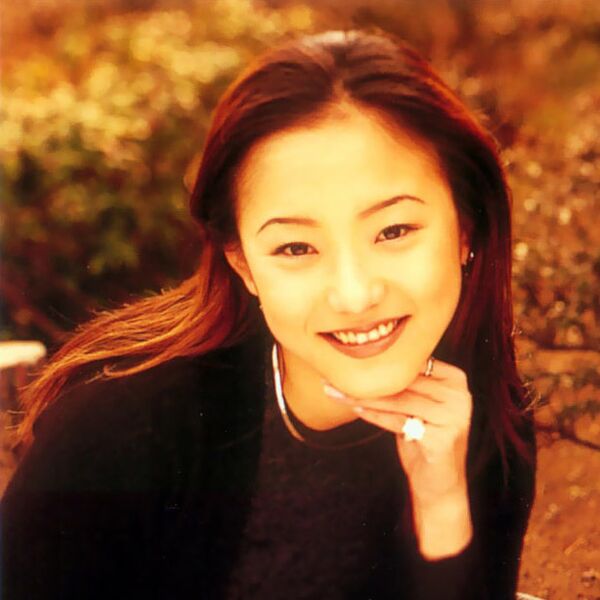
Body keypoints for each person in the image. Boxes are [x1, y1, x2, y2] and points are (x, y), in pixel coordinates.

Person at [1, 29, 536, 599]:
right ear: (244, 265)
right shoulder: (122, 428)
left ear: (465, 230)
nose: (354, 295)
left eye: (394, 231)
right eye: (296, 248)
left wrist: (443, 511)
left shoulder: (476, 421)